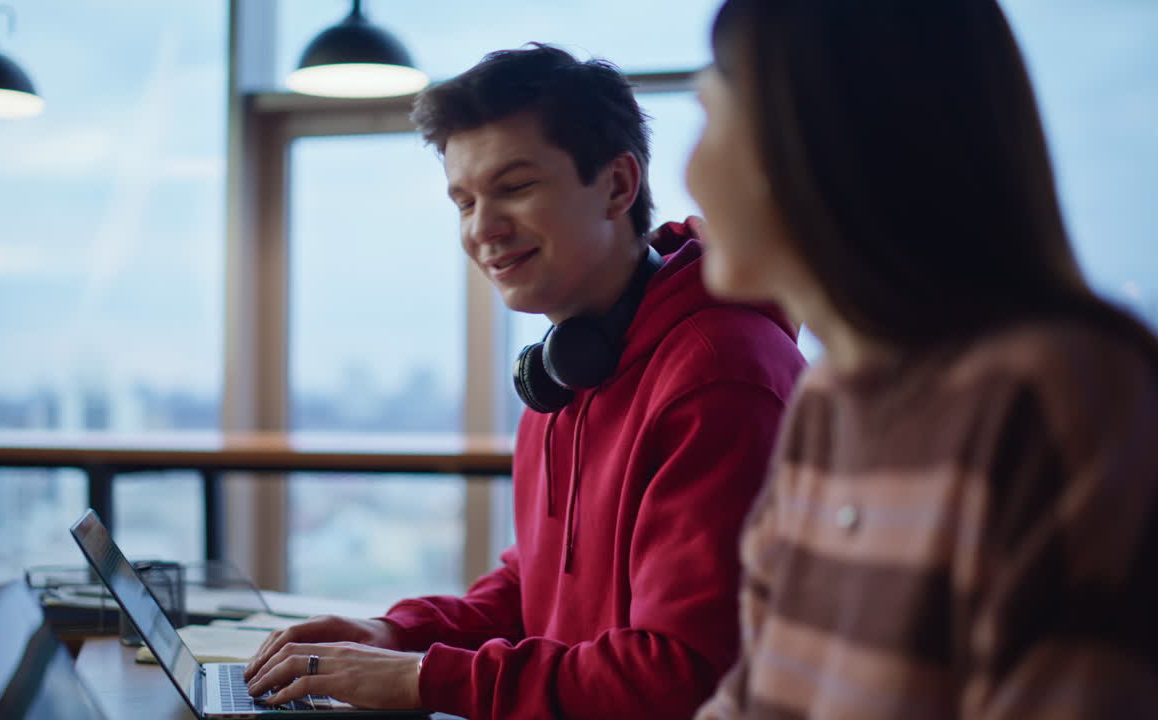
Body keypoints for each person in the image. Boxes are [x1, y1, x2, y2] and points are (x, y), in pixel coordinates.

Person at [242, 44, 806, 719]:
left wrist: (422, 679)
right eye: (464, 201)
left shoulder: (720, 373)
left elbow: (681, 675)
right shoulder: (564, 372)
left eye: (514, 187)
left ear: (618, 186)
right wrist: (395, 634)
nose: (483, 228)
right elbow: (535, 587)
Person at [683, 1, 1158, 718]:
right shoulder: (827, 402)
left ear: (819, 138)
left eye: (710, 115)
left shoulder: (1060, 394)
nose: (689, 173)